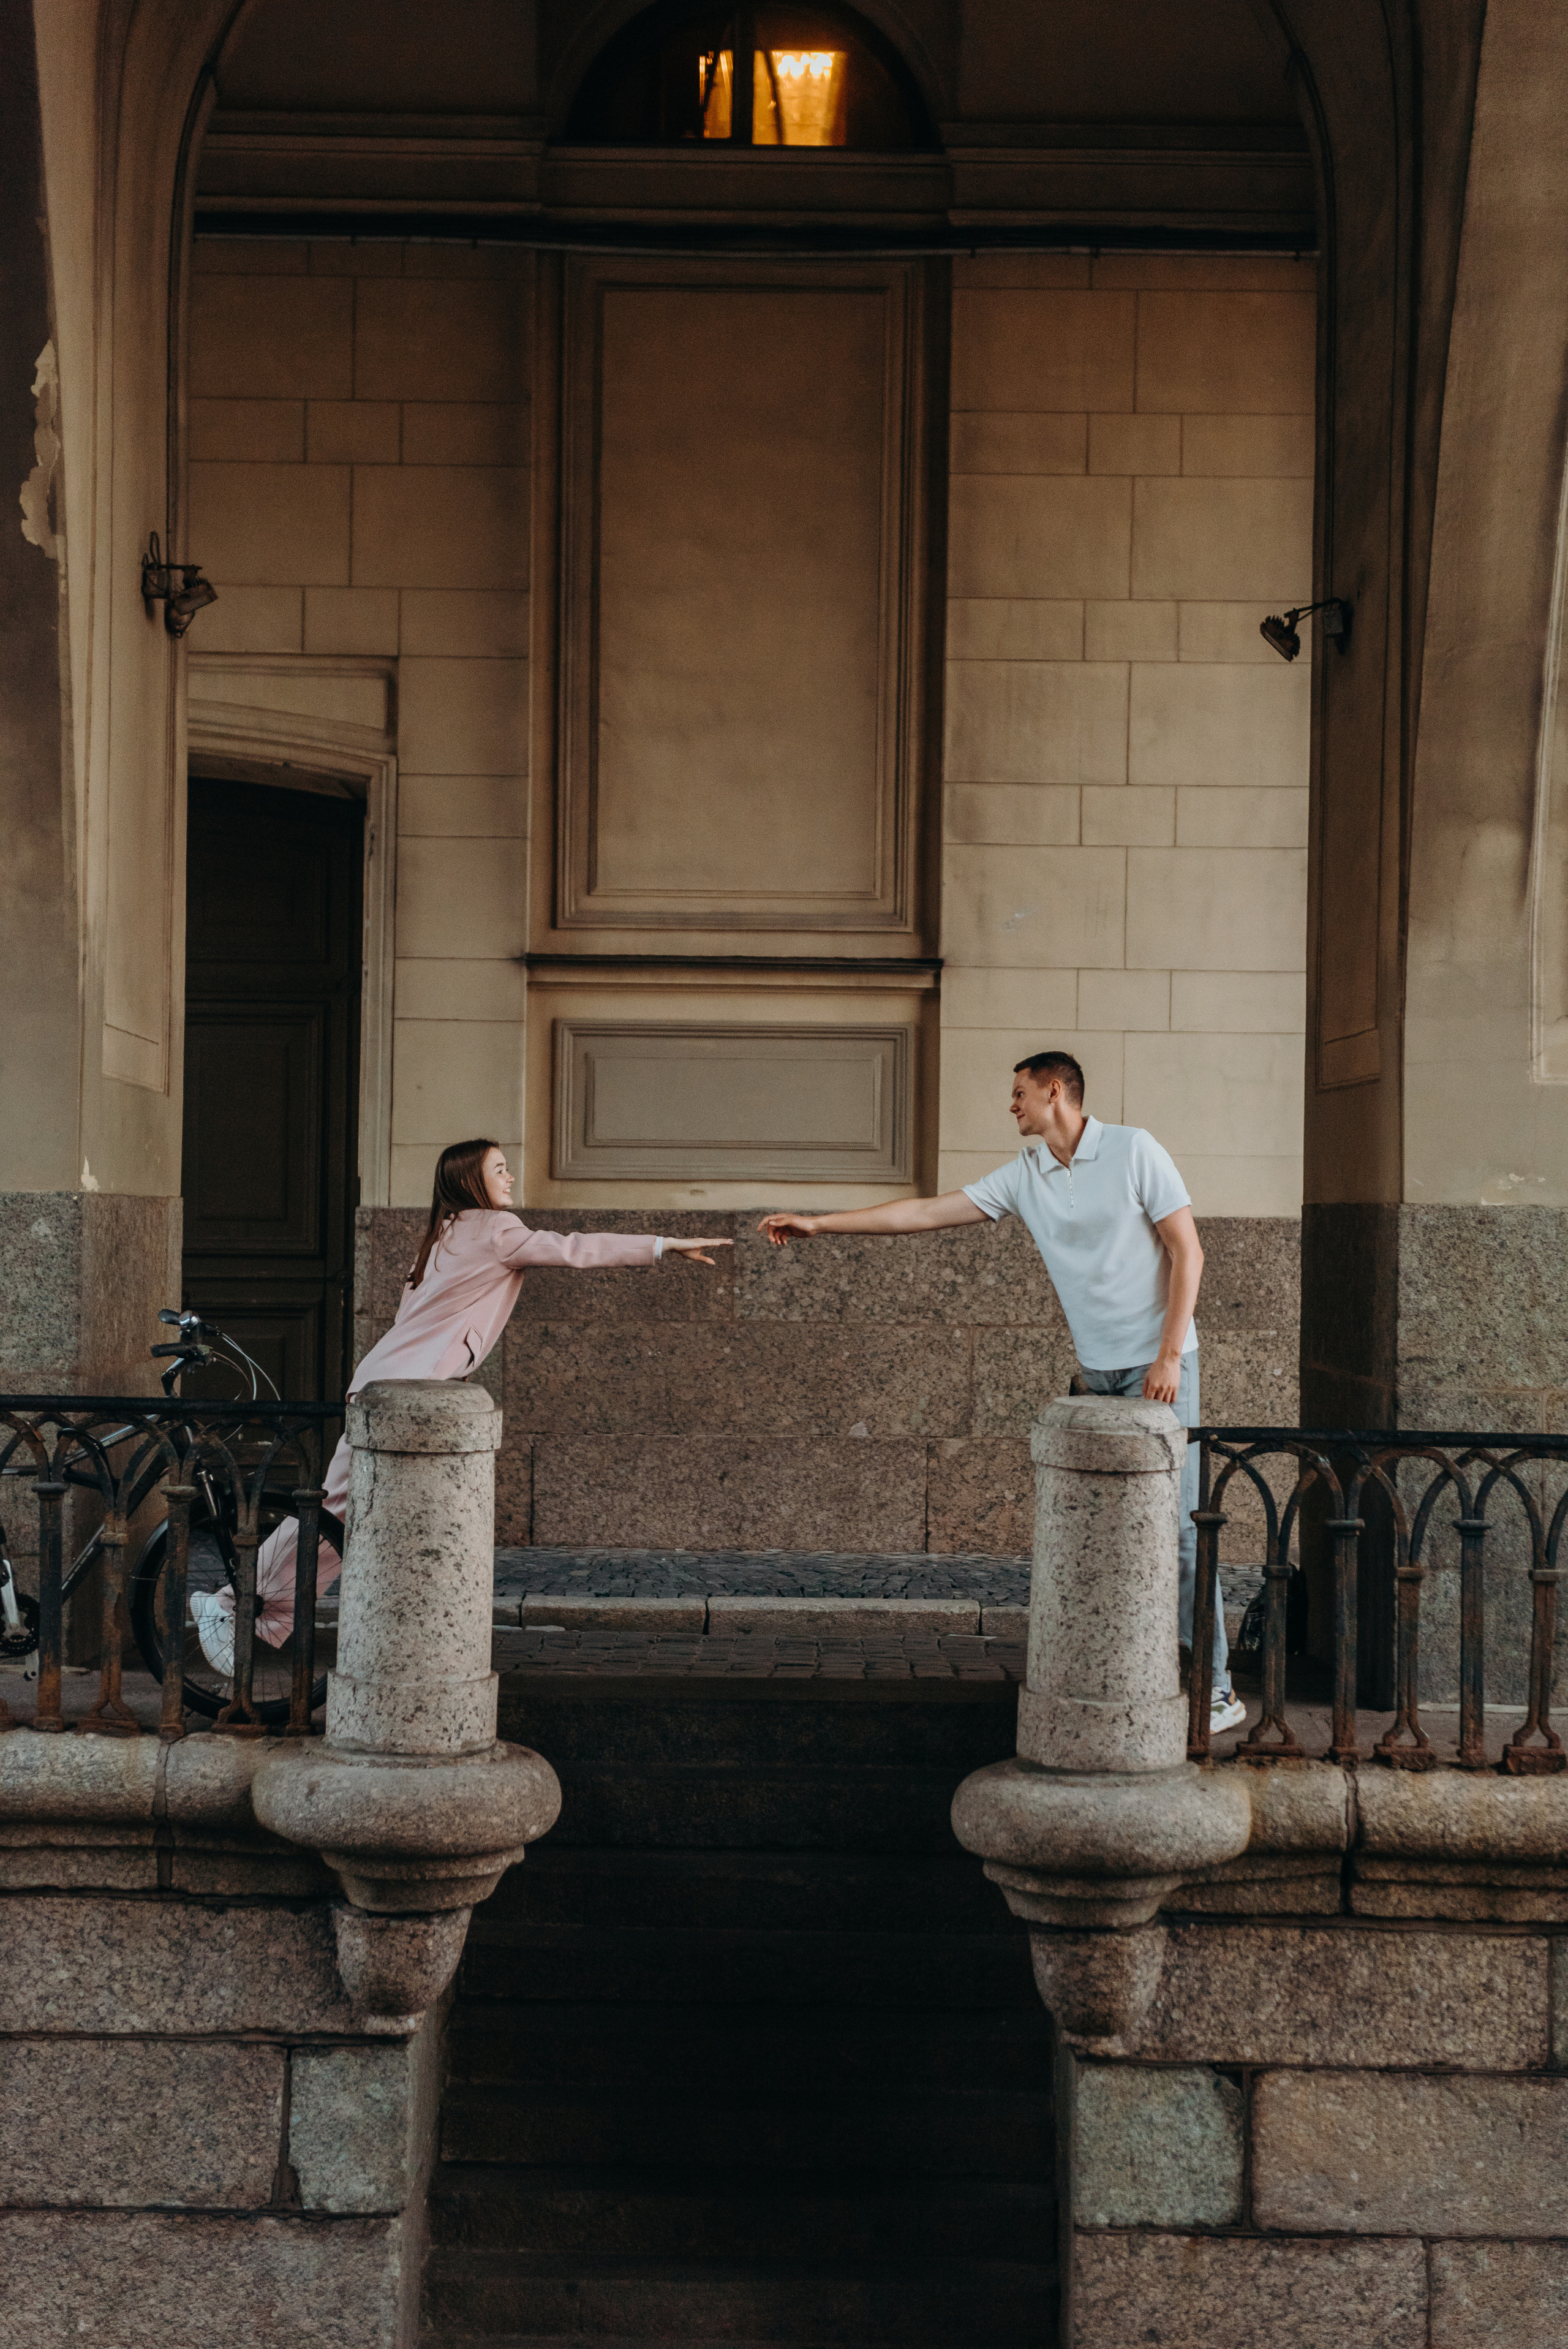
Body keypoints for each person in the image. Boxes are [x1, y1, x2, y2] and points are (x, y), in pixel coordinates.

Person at [758, 1051, 1245, 1735]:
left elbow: (1186, 1250)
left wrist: (1168, 1356)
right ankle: (1128, 1667)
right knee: (1110, 1527)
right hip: (1096, 1372)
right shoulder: (1026, 1176)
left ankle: (1218, 1687)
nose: (1010, 1105)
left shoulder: (1135, 1150)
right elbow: (924, 1213)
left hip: (1160, 1367)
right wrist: (821, 1223)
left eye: (1019, 1093)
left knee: (1180, 1531)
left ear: (1055, 1092)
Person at [189, 1138, 731, 1676]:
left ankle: (259, 1611)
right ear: (473, 1180)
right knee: (337, 1511)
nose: (511, 1177)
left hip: (388, 1384)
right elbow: (573, 1248)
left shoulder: (444, 1232)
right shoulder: (497, 1231)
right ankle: (230, 1604)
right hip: (403, 1390)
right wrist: (664, 1245)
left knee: (342, 1513)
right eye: (500, 1169)